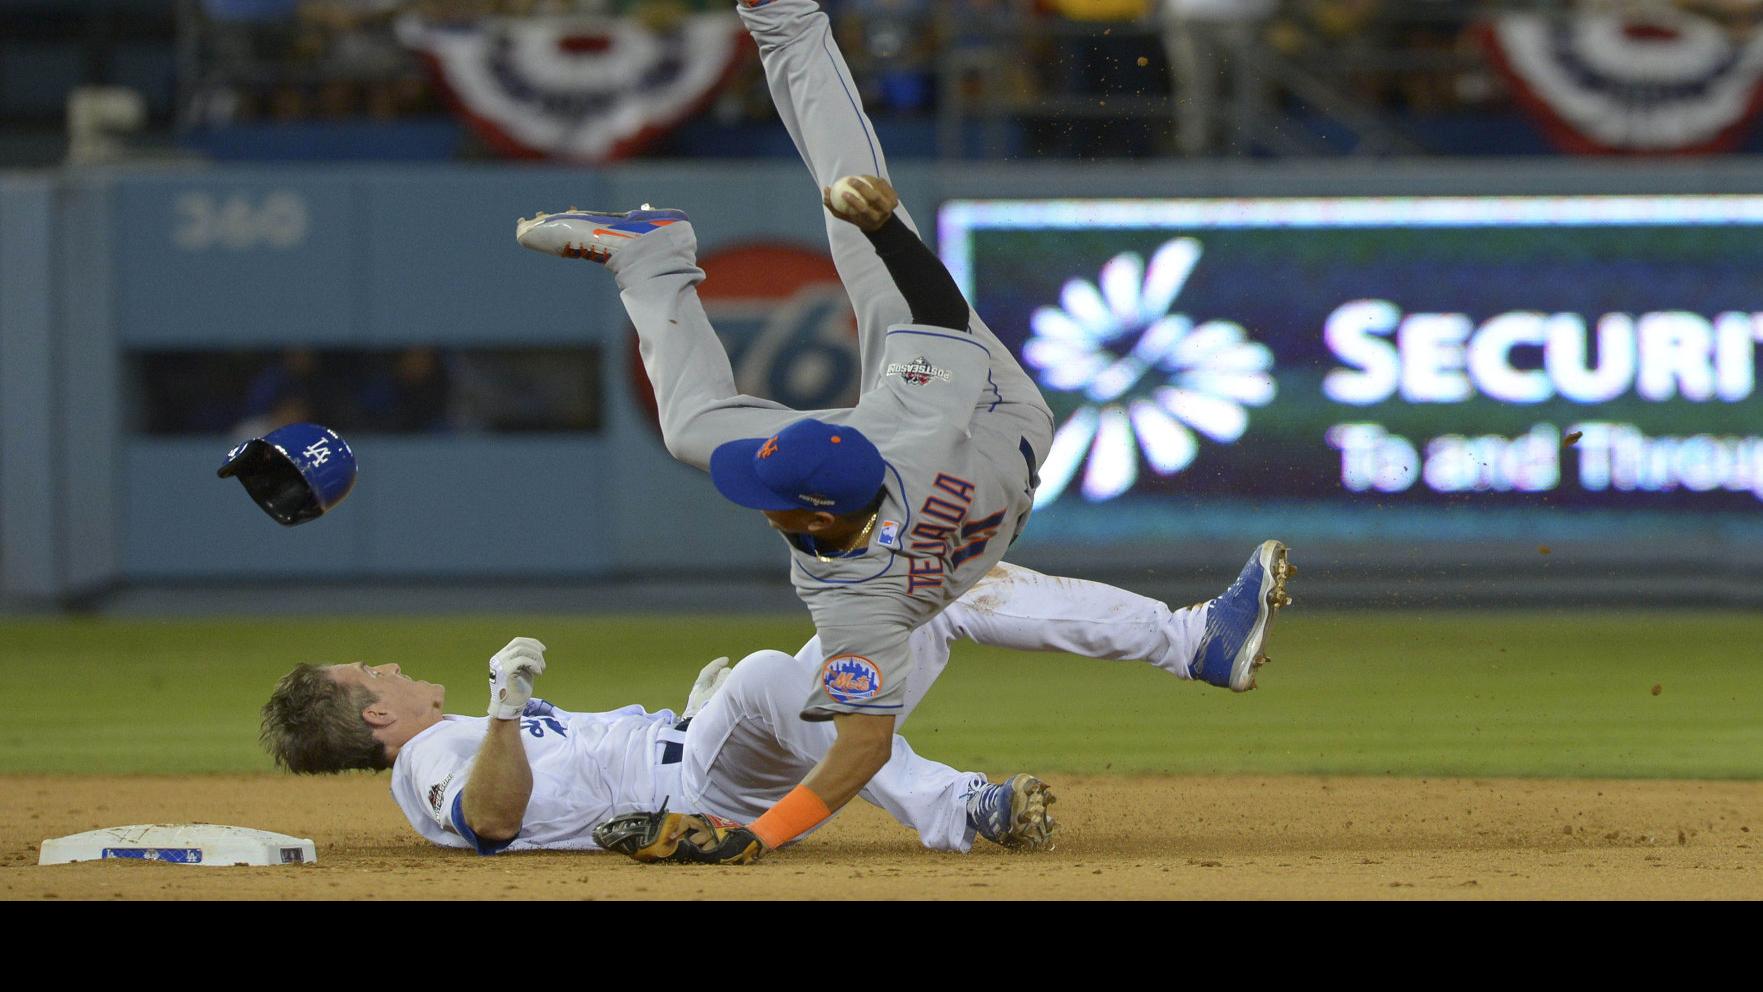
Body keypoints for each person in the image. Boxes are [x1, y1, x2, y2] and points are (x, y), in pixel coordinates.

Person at [513, 0, 1293, 861]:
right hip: (987, 421)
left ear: (814, 509)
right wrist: (883, 226)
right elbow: (938, 312)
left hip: (956, 510)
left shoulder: (858, 587)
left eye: (771, 494)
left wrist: (756, 839)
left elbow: (859, 745)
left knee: (693, 429)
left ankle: (652, 256)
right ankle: (786, 22)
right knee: (859, 228)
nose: (757, 500)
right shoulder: (901, 444)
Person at [260, 562, 1263, 855]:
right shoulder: (422, 759)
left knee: (931, 586)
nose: (385, 664)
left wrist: (683, 710)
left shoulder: (453, 736)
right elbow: (488, 819)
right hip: (698, 796)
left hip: (702, 759)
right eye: (366, 673)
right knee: (767, 676)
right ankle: (959, 809)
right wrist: (501, 706)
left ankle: (1192, 641)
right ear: (372, 718)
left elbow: (595, 758)